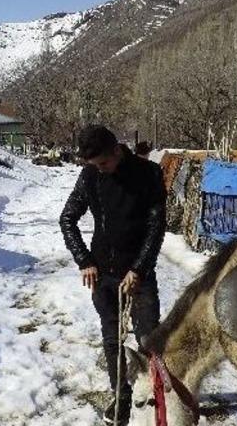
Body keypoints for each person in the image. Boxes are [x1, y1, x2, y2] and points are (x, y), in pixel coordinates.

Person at [59, 125, 166, 425]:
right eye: (94, 166)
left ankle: (154, 395)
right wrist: (84, 260)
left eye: (104, 163)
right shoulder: (90, 176)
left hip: (139, 275)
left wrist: (139, 269)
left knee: (148, 340)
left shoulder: (149, 174)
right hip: (103, 276)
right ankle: (120, 396)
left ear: (117, 150)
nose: (100, 170)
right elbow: (67, 219)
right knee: (112, 339)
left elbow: (155, 228)